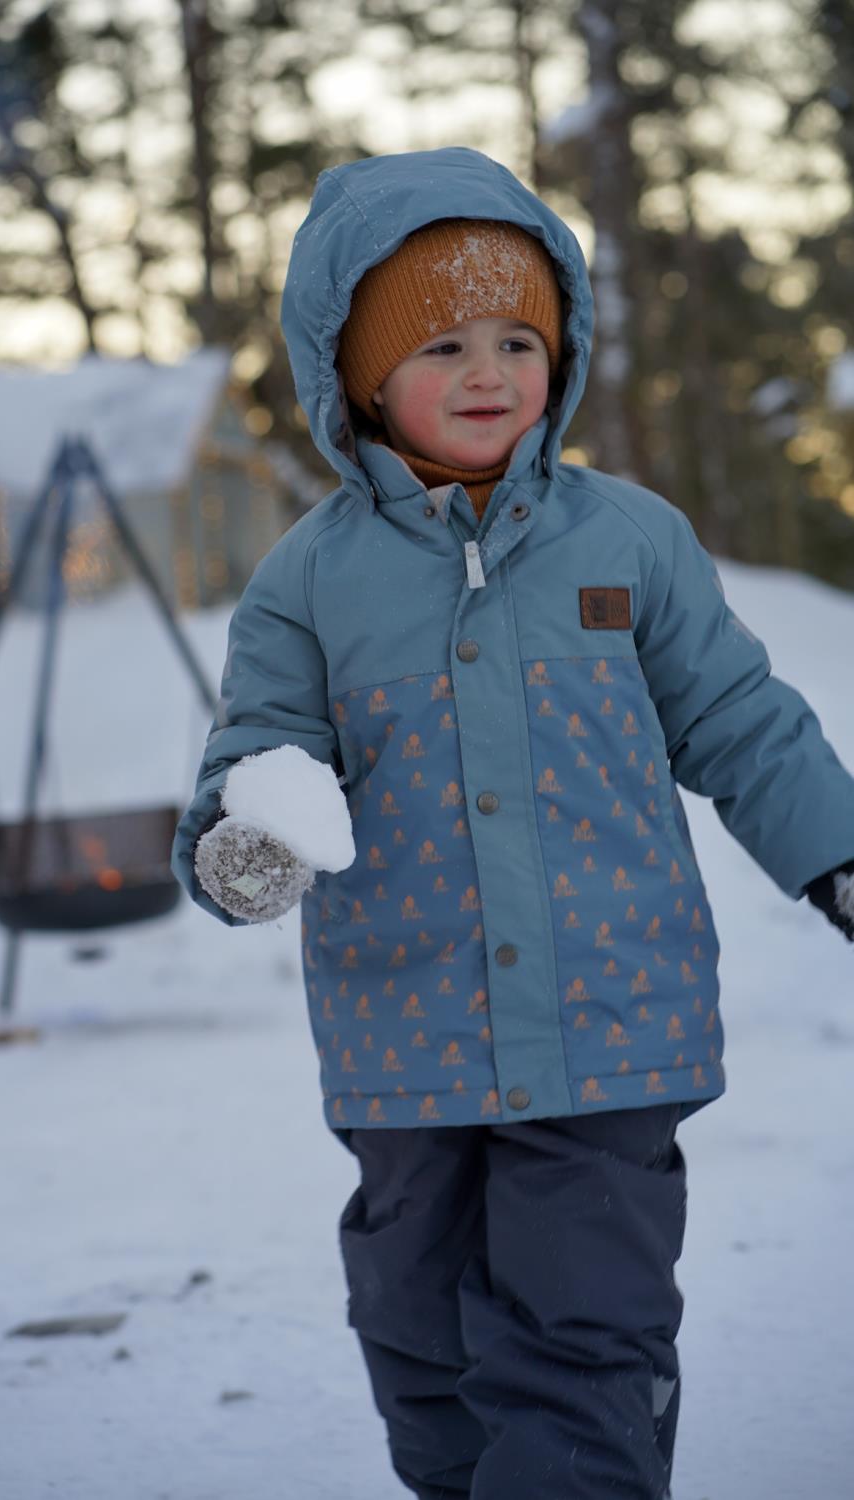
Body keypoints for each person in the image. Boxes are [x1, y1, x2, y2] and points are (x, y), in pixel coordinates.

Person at [171, 146, 854, 1499]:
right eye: (442, 345)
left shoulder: (631, 543)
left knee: (576, 1341)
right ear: (360, 374)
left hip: (612, 1025)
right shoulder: (307, 584)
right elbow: (259, 752)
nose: (489, 373)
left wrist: (835, 851)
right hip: (404, 1041)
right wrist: (247, 846)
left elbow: (740, 717)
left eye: (517, 339)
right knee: (419, 1344)